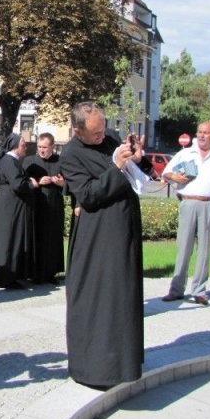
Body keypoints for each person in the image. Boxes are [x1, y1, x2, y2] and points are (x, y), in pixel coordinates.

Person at [60, 102, 152, 389]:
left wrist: (137, 158)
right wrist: (117, 167)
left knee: (123, 294)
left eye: (103, 129)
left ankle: (124, 362)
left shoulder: (109, 138)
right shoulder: (71, 155)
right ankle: (98, 368)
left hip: (124, 228)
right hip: (99, 236)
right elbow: (88, 196)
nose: (102, 136)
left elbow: (138, 172)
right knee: (100, 298)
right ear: (78, 131)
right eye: (96, 133)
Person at [161, 121, 210, 306]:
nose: (202, 135)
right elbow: (166, 173)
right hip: (188, 202)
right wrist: (175, 177)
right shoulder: (186, 153)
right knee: (183, 248)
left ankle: (199, 291)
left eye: (206, 132)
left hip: (209, 204)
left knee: (204, 249)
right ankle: (176, 290)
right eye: (199, 132)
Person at [0, 134, 38, 289]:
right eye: (23, 145)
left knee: (5, 239)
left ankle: (2, 276)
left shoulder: (9, 161)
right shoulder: (9, 162)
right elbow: (18, 184)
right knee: (10, 239)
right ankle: (7, 277)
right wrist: (32, 184)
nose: (25, 148)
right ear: (15, 146)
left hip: (7, 204)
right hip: (11, 206)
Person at [23, 132, 66, 284]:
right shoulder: (30, 161)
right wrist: (37, 181)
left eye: (45, 147)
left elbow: (70, 182)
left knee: (53, 239)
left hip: (54, 206)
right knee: (36, 238)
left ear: (52, 147)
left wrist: (61, 183)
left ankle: (50, 273)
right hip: (36, 205)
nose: (42, 150)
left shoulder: (60, 161)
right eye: (39, 147)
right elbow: (22, 180)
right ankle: (33, 273)